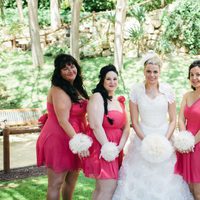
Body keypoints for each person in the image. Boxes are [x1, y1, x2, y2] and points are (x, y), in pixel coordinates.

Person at [112, 51, 193, 200]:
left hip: (165, 136)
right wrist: (146, 140)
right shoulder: (136, 91)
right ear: (144, 71)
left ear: (160, 72)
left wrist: (165, 140)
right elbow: (134, 121)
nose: (152, 75)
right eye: (148, 71)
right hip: (142, 137)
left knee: (167, 178)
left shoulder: (168, 90)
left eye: (155, 72)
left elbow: (173, 120)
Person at [36, 54, 89, 200]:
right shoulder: (58, 89)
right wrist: (80, 144)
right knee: (56, 183)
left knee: (71, 182)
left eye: (71, 66)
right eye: (64, 68)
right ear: (59, 72)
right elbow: (63, 121)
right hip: (59, 138)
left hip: (74, 136)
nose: (70, 70)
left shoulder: (76, 87)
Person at [82, 64, 130, 200]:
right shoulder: (97, 97)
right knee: (108, 188)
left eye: (115, 79)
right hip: (103, 147)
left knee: (101, 189)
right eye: (108, 79)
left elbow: (126, 127)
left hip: (116, 148)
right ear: (102, 80)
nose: (112, 82)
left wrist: (120, 146)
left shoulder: (119, 101)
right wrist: (108, 148)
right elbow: (95, 125)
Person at [175, 60, 200, 200]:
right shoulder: (187, 95)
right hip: (186, 146)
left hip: (198, 146)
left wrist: (191, 143)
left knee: (198, 191)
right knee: (188, 189)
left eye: (198, 74)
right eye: (192, 74)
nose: (195, 78)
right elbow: (180, 119)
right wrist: (183, 139)